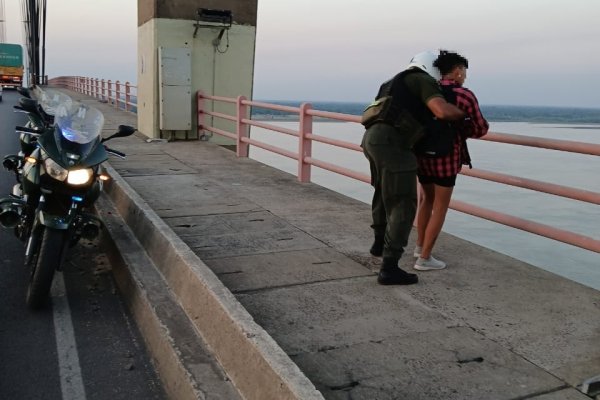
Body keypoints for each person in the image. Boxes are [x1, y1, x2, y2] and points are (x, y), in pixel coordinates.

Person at [361, 50, 465, 285]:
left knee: (382, 191)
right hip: (393, 144)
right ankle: (390, 267)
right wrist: (463, 114)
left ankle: (379, 243)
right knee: (404, 203)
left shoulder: (391, 82)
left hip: (371, 139)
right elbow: (441, 110)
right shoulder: (422, 79)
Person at [413, 50, 489, 271]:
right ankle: (425, 258)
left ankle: (419, 246)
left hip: (422, 154)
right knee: (440, 207)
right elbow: (480, 128)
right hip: (446, 157)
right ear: (457, 71)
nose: (464, 76)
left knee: (426, 200)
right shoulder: (464, 95)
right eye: (463, 72)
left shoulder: (428, 90)